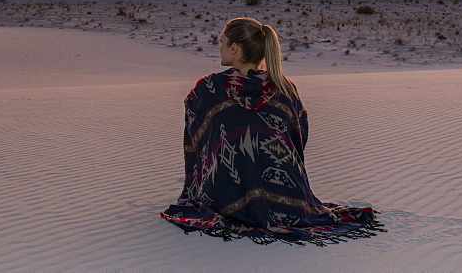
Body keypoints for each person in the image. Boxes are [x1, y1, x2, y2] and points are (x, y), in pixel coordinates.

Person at [160, 17, 383, 244]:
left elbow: (195, 123)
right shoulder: (285, 87)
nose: (219, 47)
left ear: (234, 48)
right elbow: (298, 136)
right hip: (287, 195)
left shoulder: (209, 88)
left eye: (222, 41)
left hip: (225, 195)